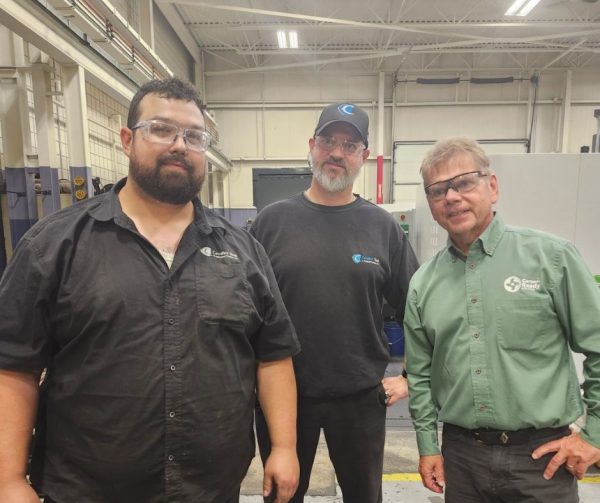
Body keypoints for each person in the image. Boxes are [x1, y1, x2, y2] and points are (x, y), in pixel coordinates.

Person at [0, 78, 301, 503]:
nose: (180, 145)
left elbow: (273, 355)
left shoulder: (244, 251)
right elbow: (13, 364)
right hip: (86, 490)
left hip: (210, 489)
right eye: (160, 129)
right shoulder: (54, 245)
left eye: (194, 136)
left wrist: (284, 447)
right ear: (127, 140)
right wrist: (8, 478)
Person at [405, 137, 600, 502]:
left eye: (464, 182)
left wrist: (594, 436)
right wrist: (429, 446)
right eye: (438, 190)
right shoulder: (424, 283)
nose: (451, 196)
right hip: (462, 459)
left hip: (541, 460)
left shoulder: (551, 259)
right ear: (431, 205)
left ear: (491, 187)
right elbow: (419, 375)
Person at [250, 103, 419, 503]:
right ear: (312, 145)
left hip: (360, 397)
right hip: (284, 396)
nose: (337, 153)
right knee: (282, 497)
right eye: (328, 141)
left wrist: (413, 376)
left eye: (350, 144)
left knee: (364, 496)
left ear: (364, 155)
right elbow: (246, 312)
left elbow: (419, 307)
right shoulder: (271, 223)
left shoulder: (382, 227)